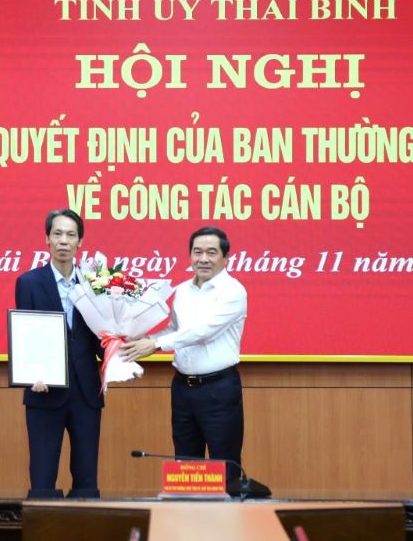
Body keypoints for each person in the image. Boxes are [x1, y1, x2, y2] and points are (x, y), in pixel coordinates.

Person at [120, 226, 247, 466]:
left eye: (211, 252)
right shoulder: (182, 291)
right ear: (190, 256)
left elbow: (202, 331)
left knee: (225, 464)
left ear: (225, 257)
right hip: (183, 388)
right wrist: (139, 340)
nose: (203, 259)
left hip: (218, 389)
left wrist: (156, 344)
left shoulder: (233, 291)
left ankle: (229, 505)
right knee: (185, 464)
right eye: (197, 252)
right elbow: (176, 330)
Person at [15, 208, 103, 498]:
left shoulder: (95, 285)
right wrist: (31, 375)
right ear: (47, 240)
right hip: (44, 391)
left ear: (80, 242)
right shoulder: (29, 282)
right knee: (42, 478)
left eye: (71, 235)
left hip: (86, 392)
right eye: (57, 234)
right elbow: (26, 334)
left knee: (87, 479)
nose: (64, 241)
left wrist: (117, 358)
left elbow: (102, 336)